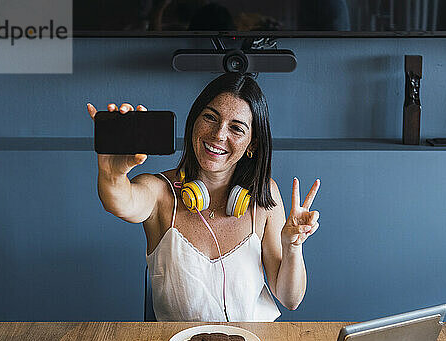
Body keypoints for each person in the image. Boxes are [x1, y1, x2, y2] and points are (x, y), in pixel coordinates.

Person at [86, 73, 320, 322]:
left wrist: (293, 247)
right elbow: (119, 201)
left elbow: (290, 299)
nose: (219, 134)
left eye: (236, 128)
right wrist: (112, 174)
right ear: (194, 122)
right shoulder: (158, 191)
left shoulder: (264, 194)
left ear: (252, 145)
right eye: (210, 117)